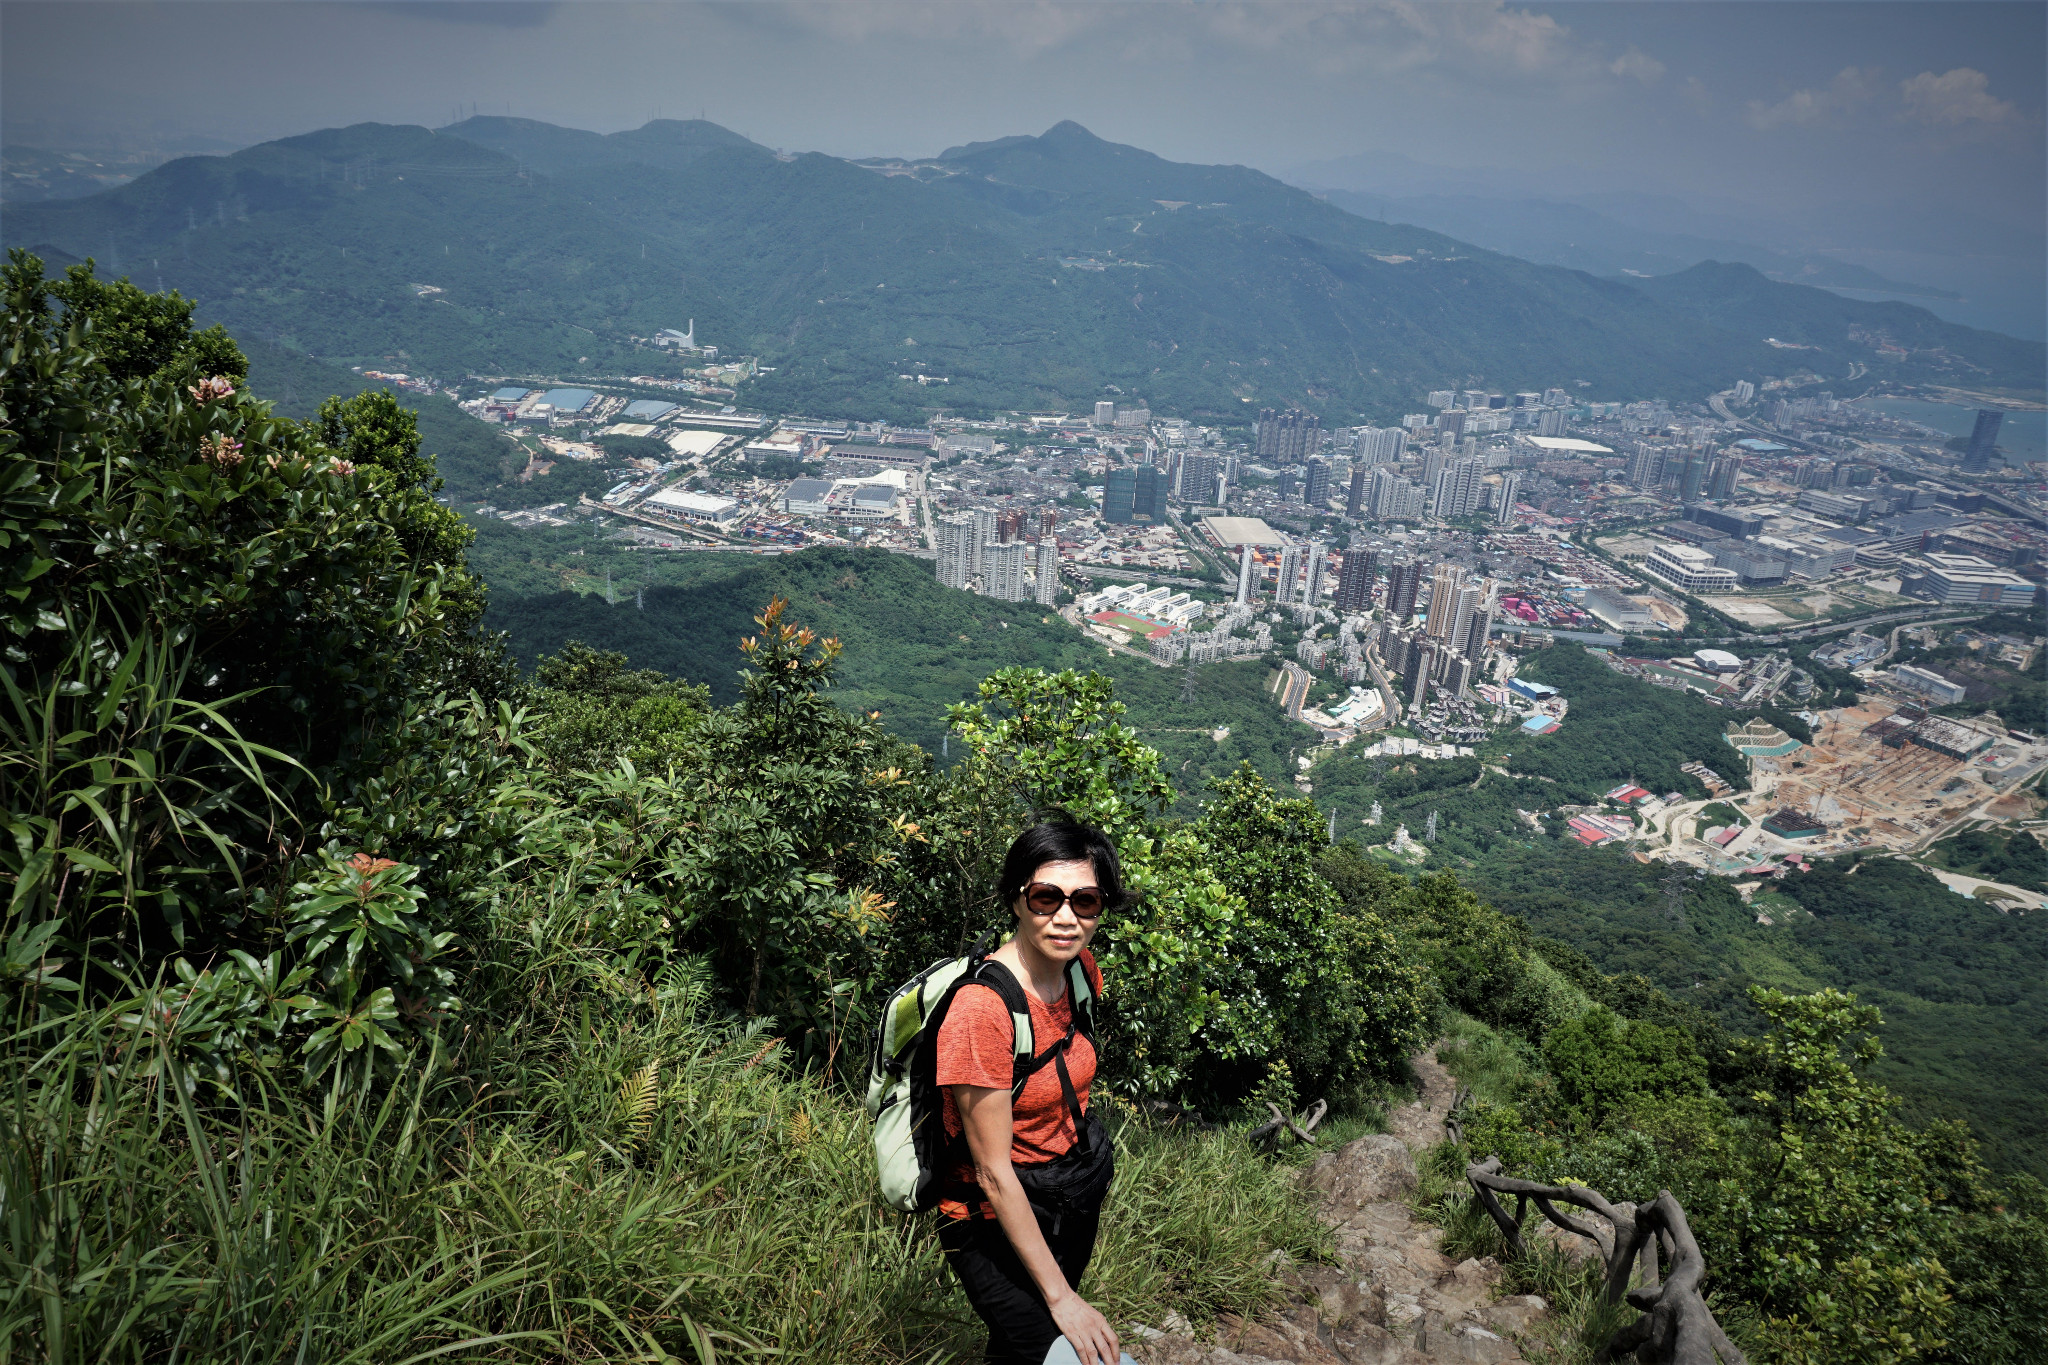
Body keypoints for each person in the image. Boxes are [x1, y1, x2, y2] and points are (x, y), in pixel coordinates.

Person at [936, 821, 1130, 1365]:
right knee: (1067, 1352)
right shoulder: (982, 1009)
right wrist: (1063, 1298)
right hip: (989, 1220)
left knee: (1017, 1353)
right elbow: (993, 1172)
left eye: (1085, 901)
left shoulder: (1079, 972)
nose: (1066, 917)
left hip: (1066, 1199)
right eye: (1046, 898)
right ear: (1017, 900)